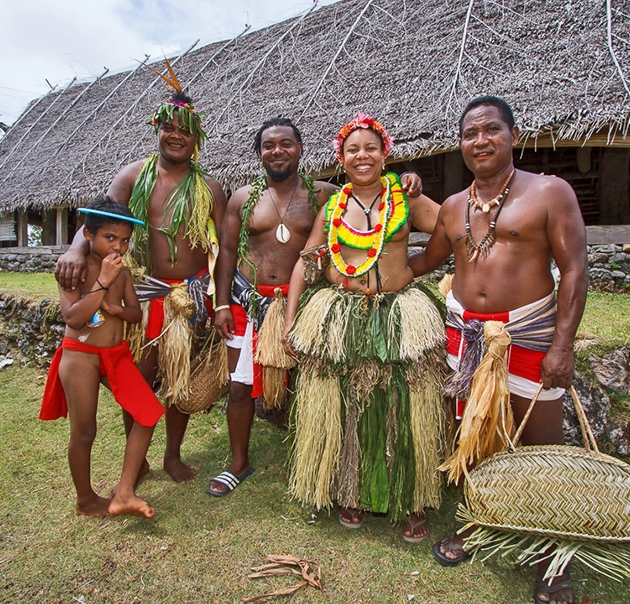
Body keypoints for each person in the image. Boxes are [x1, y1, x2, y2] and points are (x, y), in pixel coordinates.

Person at [408, 96, 588, 604]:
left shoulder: (550, 192)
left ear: (513, 135)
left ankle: (552, 558)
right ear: (460, 144)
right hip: (464, 336)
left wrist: (563, 344)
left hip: (528, 334)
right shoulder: (453, 207)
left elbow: (574, 269)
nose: (480, 140)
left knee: (541, 447)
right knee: (472, 436)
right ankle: (476, 522)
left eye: (491, 130)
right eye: (470, 133)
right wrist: (366, 273)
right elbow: (428, 261)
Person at [209, 117, 423, 497]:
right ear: (259, 153)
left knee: (307, 383)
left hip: (302, 300)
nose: (278, 150)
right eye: (268, 145)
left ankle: (309, 456)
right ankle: (238, 462)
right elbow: (227, 251)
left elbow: (369, 189)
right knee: (240, 386)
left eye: (286, 143)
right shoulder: (242, 198)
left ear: (301, 149)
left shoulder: (324, 194)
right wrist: (222, 301)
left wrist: (407, 178)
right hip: (249, 301)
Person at [282, 113, 444, 543]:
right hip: (340, 314)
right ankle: (349, 489)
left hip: (399, 315)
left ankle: (409, 498)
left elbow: (453, 228)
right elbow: (307, 258)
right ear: (342, 157)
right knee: (346, 404)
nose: (362, 155)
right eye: (352, 149)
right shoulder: (334, 206)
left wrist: (418, 267)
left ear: (384, 152)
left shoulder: (405, 198)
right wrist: (289, 319)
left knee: (403, 405)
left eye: (370, 147)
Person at [55, 88, 226, 484]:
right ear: (158, 128)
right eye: (169, 126)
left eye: (185, 129)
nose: (176, 135)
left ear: (197, 136)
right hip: (145, 292)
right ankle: (139, 459)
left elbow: (226, 247)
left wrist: (218, 301)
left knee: (179, 376)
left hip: (188, 295)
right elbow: (99, 218)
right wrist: (76, 251)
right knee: (139, 375)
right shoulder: (134, 174)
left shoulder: (210, 188)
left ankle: (172, 455)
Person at [41, 196, 165, 518]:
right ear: (88, 235)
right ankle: (85, 499)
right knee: (84, 431)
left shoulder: (122, 273)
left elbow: (136, 314)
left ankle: (125, 491)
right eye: (110, 238)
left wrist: (115, 309)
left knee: (147, 413)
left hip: (116, 355)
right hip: (80, 353)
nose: (118, 247)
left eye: (124, 240)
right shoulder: (75, 269)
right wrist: (102, 283)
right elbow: (73, 318)